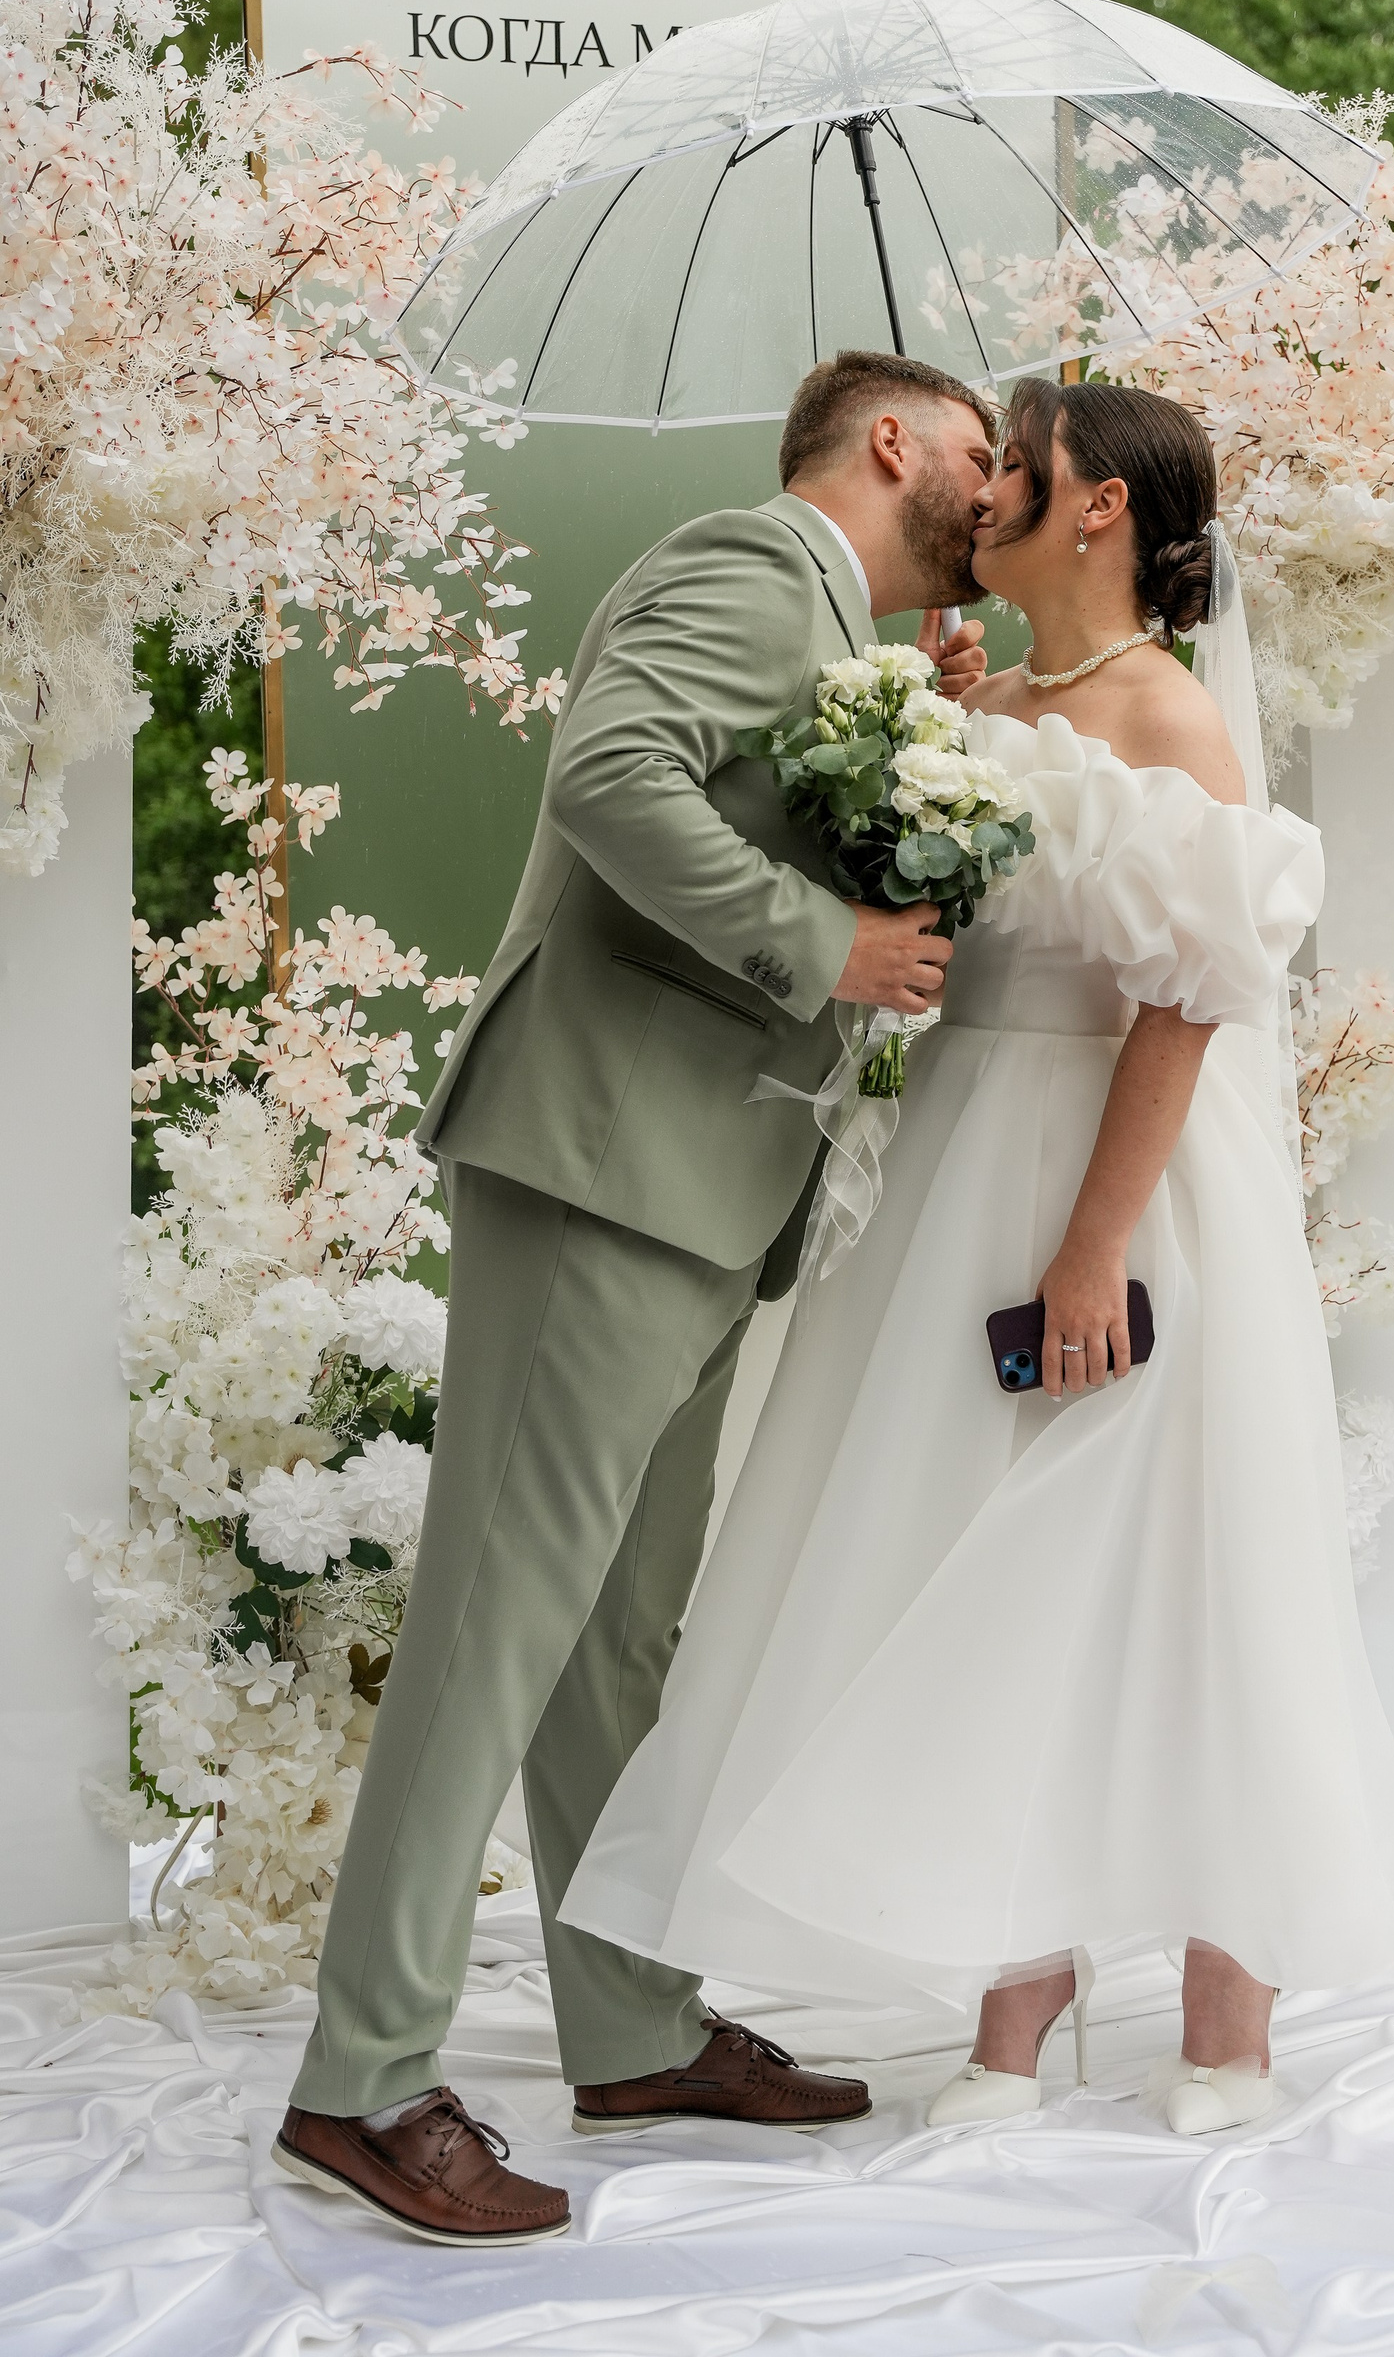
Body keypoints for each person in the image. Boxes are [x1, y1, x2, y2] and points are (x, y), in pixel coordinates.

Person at [564, 378, 1394, 2141]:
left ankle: (1228, 2028)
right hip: (970, 1159)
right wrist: (926, 743)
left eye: (1015, 466)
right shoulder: (992, 705)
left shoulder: (1169, 716)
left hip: (1124, 1179)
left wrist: (1095, 1247)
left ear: (1097, 506)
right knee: (983, 1565)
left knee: (1188, 1568)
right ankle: (1015, 2007)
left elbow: (1190, 997)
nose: (984, 493)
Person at [273, 349, 995, 2246]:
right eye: (977, 449)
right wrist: (828, 940)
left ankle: (632, 2028)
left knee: (612, 1638)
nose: (994, 485)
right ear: (893, 442)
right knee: (492, 1625)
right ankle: (363, 2083)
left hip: (701, 1180)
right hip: (602, 1157)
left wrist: (905, 760)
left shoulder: (835, 631)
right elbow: (608, 776)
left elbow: (736, 800)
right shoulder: (750, 566)